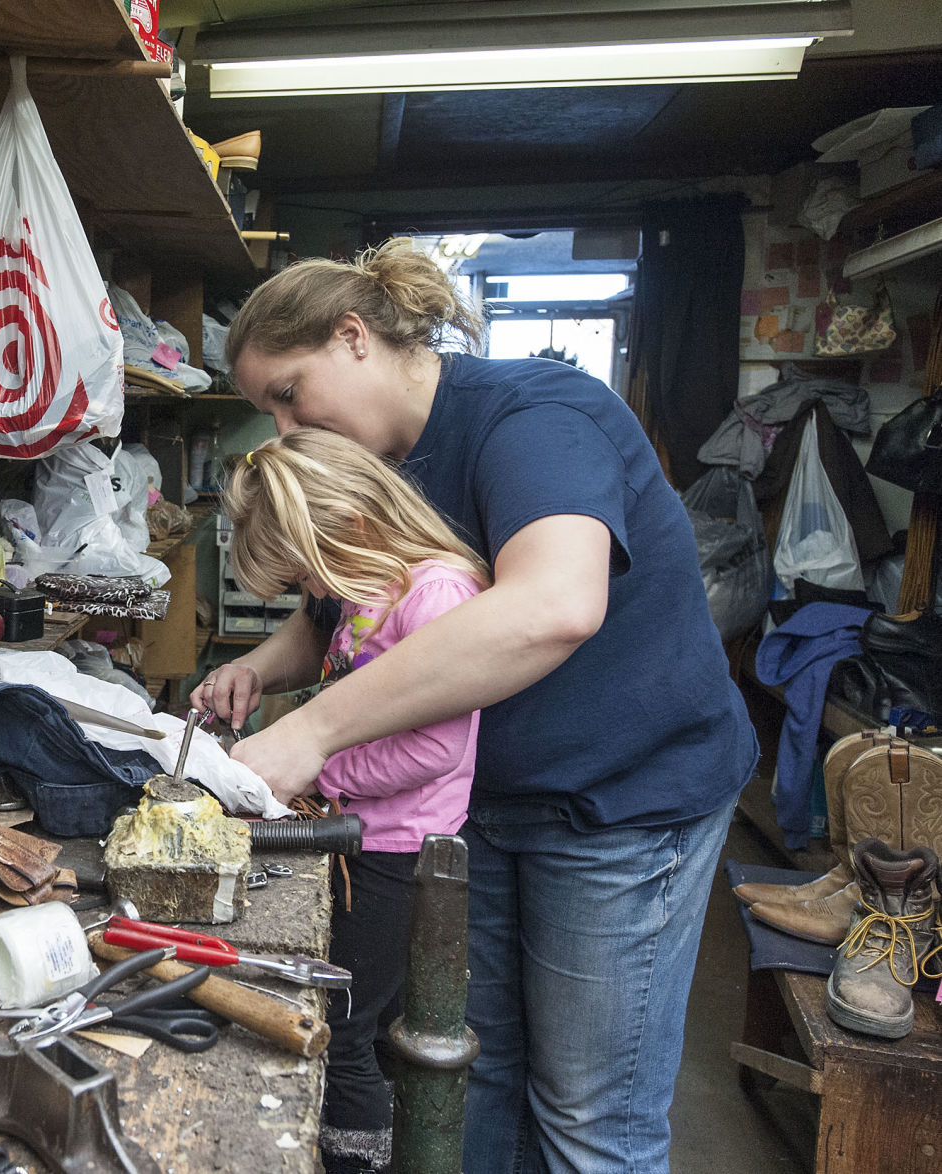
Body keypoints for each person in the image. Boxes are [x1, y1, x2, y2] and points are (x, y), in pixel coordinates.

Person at [191, 242, 756, 1174]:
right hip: (478, 809)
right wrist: (265, 665)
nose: (285, 431)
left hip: (620, 802)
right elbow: (346, 607)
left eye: (289, 395)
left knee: (586, 1114)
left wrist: (315, 731)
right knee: (471, 1073)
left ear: (353, 337)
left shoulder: (533, 418)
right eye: (270, 413)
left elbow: (552, 607)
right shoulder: (379, 458)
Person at [218, 427, 488, 1174]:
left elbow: (436, 748)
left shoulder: (434, 595)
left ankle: (354, 1160)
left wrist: (319, 769)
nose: (309, 593)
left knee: (342, 1023)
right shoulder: (365, 591)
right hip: (358, 837)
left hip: (397, 855)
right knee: (354, 1018)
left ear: (354, 526)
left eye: (306, 572)